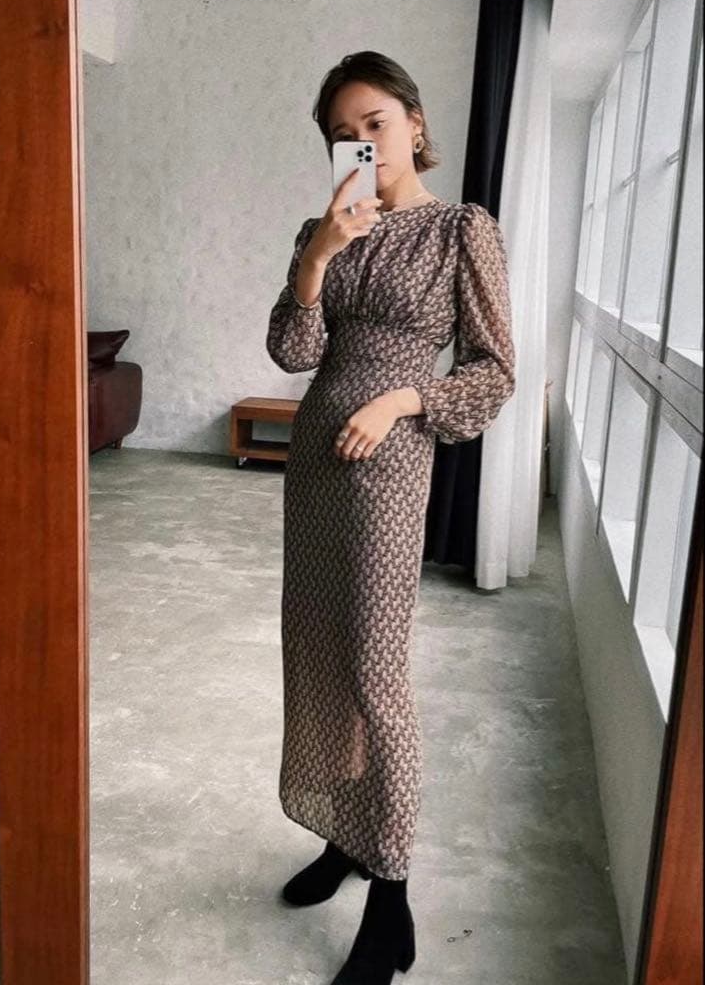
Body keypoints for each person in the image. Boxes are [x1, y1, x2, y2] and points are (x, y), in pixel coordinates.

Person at [265, 50, 516, 985]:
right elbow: (294, 350)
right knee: (320, 652)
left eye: (374, 122)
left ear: (413, 120)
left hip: (390, 465)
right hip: (314, 468)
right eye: (343, 134)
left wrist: (404, 400)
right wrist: (318, 256)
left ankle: (392, 893)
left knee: (375, 668)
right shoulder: (321, 230)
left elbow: (493, 371)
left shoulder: (460, 229)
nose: (362, 142)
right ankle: (345, 833)